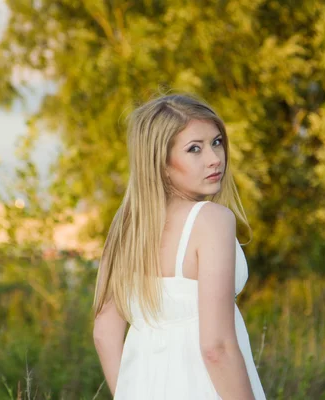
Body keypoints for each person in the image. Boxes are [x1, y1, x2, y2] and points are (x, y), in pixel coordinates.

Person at [92, 94, 266, 399]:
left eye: (216, 142)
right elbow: (216, 348)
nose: (214, 158)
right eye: (194, 149)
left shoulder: (127, 227)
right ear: (161, 163)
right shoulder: (211, 220)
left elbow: (104, 333)